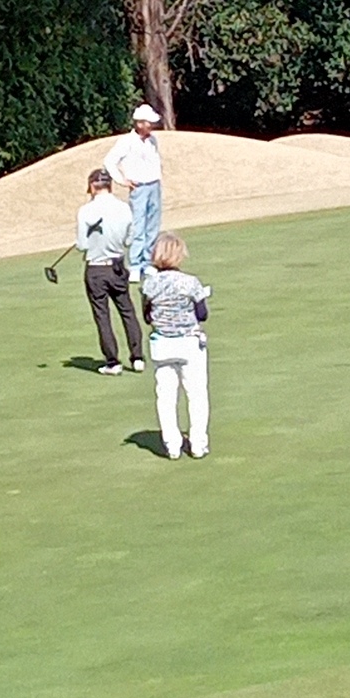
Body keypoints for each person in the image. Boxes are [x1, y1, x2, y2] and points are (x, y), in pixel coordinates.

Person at [141, 232, 210, 460]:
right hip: (189, 343)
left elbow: (147, 316)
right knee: (196, 395)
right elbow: (202, 314)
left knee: (166, 397)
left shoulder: (149, 284)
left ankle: (172, 445)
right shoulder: (190, 282)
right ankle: (198, 444)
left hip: (162, 345)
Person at [76, 169, 145, 375]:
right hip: (117, 266)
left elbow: (82, 245)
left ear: (92, 186)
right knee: (127, 311)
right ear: (110, 185)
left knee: (102, 315)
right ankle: (137, 358)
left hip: (96, 269)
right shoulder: (124, 208)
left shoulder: (85, 211)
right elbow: (128, 240)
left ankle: (113, 362)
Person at [103, 103, 163, 284]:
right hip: (139, 187)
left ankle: (147, 262)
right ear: (139, 123)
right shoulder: (126, 141)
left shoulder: (153, 140)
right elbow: (110, 161)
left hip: (154, 185)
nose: (151, 126)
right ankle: (135, 265)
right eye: (148, 122)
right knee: (138, 226)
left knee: (152, 226)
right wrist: (122, 180)